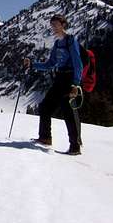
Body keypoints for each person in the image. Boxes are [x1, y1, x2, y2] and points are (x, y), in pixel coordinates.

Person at [24, 14, 83, 155]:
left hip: (69, 79)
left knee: (68, 112)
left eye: (56, 24)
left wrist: (76, 84)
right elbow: (50, 64)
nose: (53, 28)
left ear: (63, 25)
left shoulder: (70, 40)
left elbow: (78, 64)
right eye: (52, 25)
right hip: (60, 77)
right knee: (45, 107)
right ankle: (45, 138)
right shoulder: (57, 44)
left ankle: (75, 147)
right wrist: (32, 64)